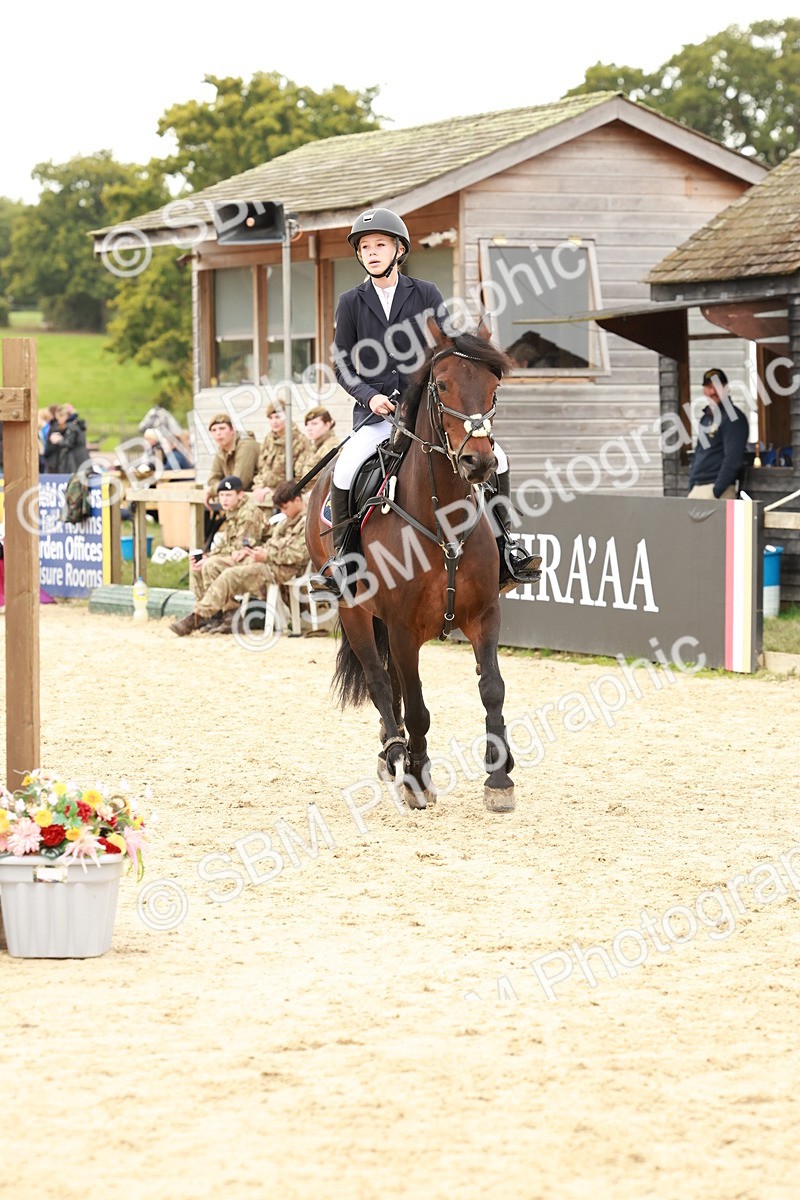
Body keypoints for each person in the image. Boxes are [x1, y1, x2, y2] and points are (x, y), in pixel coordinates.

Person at [308, 207, 541, 598]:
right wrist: (371, 397)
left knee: (499, 459)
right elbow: (342, 363)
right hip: (377, 414)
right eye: (365, 247)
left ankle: (507, 547)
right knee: (346, 468)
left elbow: (446, 348)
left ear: (399, 249)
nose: (372, 252)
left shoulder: (426, 292)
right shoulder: (351, 302)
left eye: (380, 244)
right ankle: (343, 562)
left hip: (425, 410)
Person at [170, 481, 308, 636]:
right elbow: (271, 544)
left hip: (281, 569)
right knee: (212, 565)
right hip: (266, 561)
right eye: (221, 495)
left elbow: (299, 554)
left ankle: (196, 618)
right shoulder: (285, 520)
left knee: (229, 575)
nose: (283, 511)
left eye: (285, 507)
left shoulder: (307, 522)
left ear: (297, 500)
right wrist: (256, 552)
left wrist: (266, 555)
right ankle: (229, 618)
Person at [184, 476, 271, 619]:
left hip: (254, 560)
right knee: (198, 566)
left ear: (240, 495)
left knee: (211, 565)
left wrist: (211, 559)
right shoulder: (233, 513)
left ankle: (226, 614)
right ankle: (213, 615)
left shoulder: (248, 513)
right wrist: (207, 556)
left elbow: (242, 547)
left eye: (229, 495)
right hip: (239, 557)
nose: (224, 499)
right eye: (221, 495)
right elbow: (225, 545)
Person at [688, 369, 749, 499]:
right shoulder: (706, 418)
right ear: (704, 390)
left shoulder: (733, 418)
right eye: (709, 387)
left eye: (717, 387)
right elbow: (699, 452)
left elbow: (732, 459)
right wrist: (692, 483)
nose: (713, 392)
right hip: (698, 487)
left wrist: (716, 491)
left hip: (718, 490)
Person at [251, 402, 309, 506]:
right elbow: (261, 469)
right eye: (271, 418)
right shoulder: (268, 439)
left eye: (278, 417)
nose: (274, 422)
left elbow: (300, 478)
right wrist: (259, 487)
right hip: (264, 494)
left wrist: (275, 490)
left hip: (286, 499)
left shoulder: (299, 441)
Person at [203, 413, 260, 509]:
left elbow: (239, 483)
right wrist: (221, 489)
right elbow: (212, 479)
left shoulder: (246, 445)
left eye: (222, 428)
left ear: (232, 430)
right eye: (214, 430)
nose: (218, 433)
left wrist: (213, 490)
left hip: (257, 502)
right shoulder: (222, 449)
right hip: (239, 503)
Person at [295, 407, 338, 492]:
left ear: (328, 424)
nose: (309, 428)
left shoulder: (332, 447)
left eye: (314, 424)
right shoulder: (313, 447)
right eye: (307, 424)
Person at [43, 405, 90, 475]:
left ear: (63, 416)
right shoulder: (76, 424)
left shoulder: (70, 427)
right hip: (83, 458)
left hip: (76, 460)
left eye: (58, 419)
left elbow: (68, 443)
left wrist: (58, 440)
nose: (58, 422)